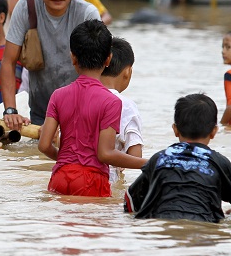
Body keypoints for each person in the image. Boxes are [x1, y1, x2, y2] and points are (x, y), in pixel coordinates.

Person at [38, 20, 147, 197]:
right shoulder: (111, 101)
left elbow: (44, 145)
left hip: (59, 176)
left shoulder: (58, 95)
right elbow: (105, 154)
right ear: (108, 59)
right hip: (91, 181)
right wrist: (149, 163)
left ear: (72, 57)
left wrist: (67, 161)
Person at [0, 0, 100, 128]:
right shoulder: (26, 7)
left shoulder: (87, 14)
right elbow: (8, 62)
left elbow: (101, 68)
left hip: (81, 112)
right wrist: (10, 110)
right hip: (41, 112)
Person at [124, 94, 231, 223]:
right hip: (203, 226)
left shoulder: (159, 159)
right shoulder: (219, 163)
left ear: (175, 130)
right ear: (214, 132)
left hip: (161, 225)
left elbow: (130, 199)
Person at [99, 37, 143, 183]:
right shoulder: (127, 106)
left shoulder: (79, 95)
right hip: (106, 181)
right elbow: (136, 156)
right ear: (128, 71)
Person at [221, 32, 231, 127]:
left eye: (228, 47)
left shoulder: (229, 75)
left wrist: (221, 126)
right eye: (223, 47)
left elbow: (230, 107)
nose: (223, 51)